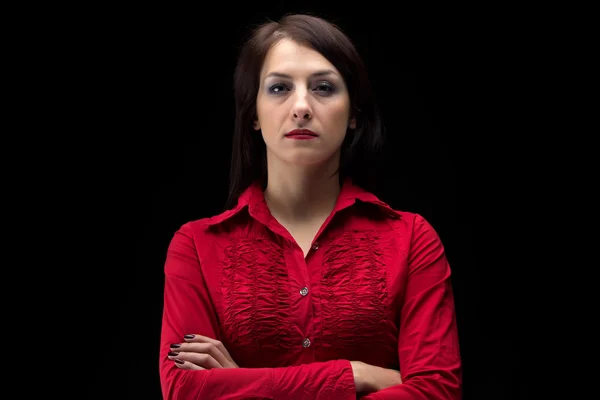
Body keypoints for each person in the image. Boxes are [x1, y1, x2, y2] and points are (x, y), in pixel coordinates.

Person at [158, 13, 462, 399]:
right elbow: (185, 390)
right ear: (252, 112)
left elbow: (437, 392)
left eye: (323, 88)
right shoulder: (196, 245)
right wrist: (357, 375)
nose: (301, 106)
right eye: (279, 88)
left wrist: (242, 383)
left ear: (354, 114)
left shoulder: (413, 238)